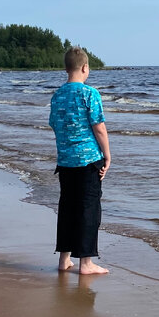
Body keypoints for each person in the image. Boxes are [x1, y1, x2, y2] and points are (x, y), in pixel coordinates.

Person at [49, 47, 111, 275]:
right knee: (88, 209)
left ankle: (64, 259)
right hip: (88, 160)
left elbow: (54, 124)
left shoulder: (57, 95)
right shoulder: (89, 94)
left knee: (67, 208)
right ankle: (86, 262)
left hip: (65, 161)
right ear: (85, 68)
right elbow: (99, 128)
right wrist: (108, 155)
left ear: (66, 68)